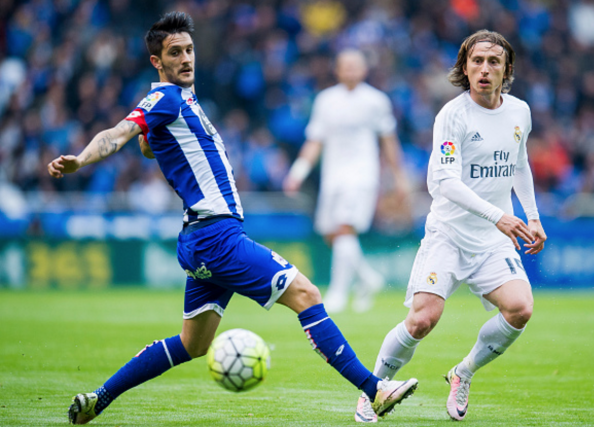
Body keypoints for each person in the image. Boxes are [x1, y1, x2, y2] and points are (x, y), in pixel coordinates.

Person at [46, 12, 418, 425]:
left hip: (200, 238)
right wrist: (81, 159)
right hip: (216, 236)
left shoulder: (182, 103)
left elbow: (149, 146)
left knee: (193, 343)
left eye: (189, 49)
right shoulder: (163, 98)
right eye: (174, 52)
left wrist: (150, 144)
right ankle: (375, 390)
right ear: (157, 62)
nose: (186, 58)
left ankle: (99, 397)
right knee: (308, 296)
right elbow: (116, 134)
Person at [353, 30, 548, 423]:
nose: (484, 69)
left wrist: (533, 215)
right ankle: (373, 390)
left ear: (507, 69)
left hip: (494, 240)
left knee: (521, 309)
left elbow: (519, 163)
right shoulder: (453, 115)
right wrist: (500, 216)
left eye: (494, 62)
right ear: (464, 67)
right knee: (423, 319)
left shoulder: (519, 112)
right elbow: (443, 182)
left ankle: (463, 373)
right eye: (476, 61)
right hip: (449, 235)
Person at [283, 49, 409, 314]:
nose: (350, 70)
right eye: (345, 66)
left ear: (364, 70)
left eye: (356, 66)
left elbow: (389, 141)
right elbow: (315, 141)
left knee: (344, 229)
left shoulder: (376, 101)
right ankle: (367, 279)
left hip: (362, 175)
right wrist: (297, 172)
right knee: (332, 233)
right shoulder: (325, 101)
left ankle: (338, 294)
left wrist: (399, 177)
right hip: (333, 178)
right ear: (337, 69)